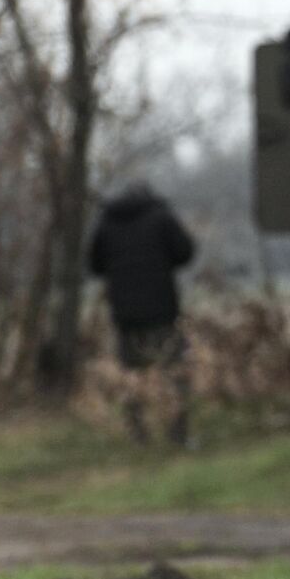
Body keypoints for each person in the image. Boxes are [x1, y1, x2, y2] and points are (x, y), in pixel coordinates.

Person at [87, 180, 197, 447]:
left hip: (125, 315)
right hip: (162, 310)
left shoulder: (106, 221)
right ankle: (177, 434)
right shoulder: (161, 217)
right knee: (173, 371)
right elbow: (186, 252)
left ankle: (138, 435)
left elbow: (93, 264)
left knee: (131, 374)